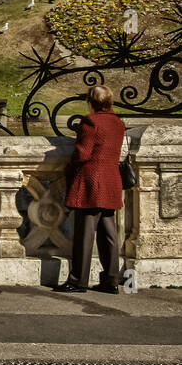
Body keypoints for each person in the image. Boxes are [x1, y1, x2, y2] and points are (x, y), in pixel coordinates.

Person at [56, 85, 126, 294]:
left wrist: (69, 169)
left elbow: (82, 153)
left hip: (91, 181)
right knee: (109, 233)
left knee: (85, 233)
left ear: (90, 102)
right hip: (111, 180)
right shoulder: (118, 123)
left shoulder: (90, 122)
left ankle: (78, 281)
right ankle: (111, 280)